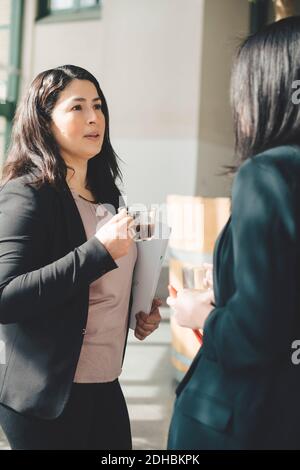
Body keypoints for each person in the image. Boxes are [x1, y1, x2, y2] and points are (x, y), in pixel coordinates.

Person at [0, 64, 161, 450]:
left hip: (105, 386)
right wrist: (98, 251)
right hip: (48, 399)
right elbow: (5, 297)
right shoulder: (27, 194)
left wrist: (138, 310)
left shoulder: (110, 197)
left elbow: (99, 291)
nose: (94, 118)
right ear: (44, 121)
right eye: (77, 108)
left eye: (99, 105)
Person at [167, 16, 300, 450]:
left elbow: (258, 333)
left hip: (238, 419)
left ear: (267, 90)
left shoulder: (267, 173)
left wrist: (198, 314)